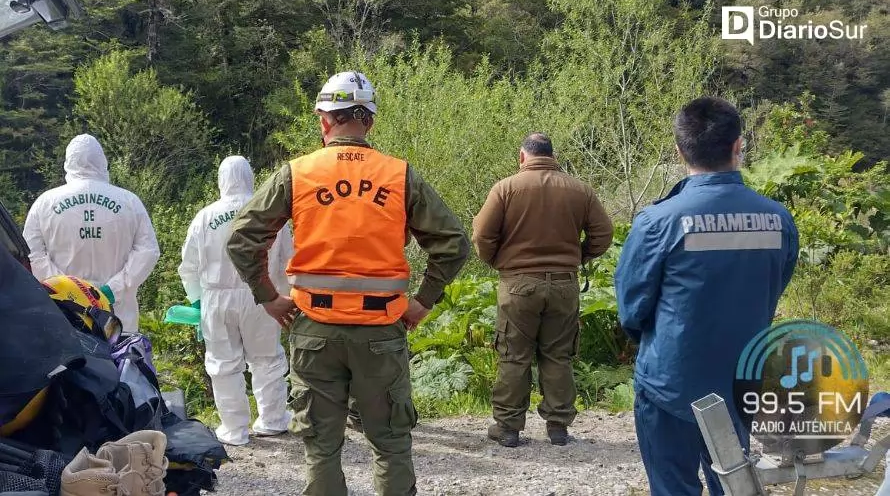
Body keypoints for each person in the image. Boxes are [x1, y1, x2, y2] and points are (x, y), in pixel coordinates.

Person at [227, 71, 469, 496]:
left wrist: (268, 297)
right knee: (391, 443)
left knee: (321, 447)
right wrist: (423, 302)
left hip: (313, 326)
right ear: (369, 122)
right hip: (381, 331)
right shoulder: (399, 175)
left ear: (324, 121)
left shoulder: (297, 173)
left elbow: (242, 239)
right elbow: (453, 245)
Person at [615, 97, 799, 496]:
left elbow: (632, 307)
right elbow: (775, 285)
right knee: (733, 480)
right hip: (740, 379)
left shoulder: (657, 221)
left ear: (680, 149)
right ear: (738, 146)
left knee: (672, 485)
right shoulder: (778, 219)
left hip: (670, 381)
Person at [472, 132, 614, 447]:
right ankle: (559, 427)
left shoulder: (506, 188)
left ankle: (508, 428)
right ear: (553, 156)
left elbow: (481, 234)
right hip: (565, 284)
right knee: (558, 355)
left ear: (523, 157)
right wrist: (580, 256)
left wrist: (497, 261)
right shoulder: (581, 190)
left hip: (518, 284)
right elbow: (604, 233)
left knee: (514, 356)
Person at [178, 155, 292, 446]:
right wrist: (282, 296)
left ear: (221, 179)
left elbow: (188, 265)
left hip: (216, 297)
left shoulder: (205, 217)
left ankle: (234, 429)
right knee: (266, 358)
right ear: (251, 178)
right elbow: (287, 261)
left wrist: (196, 301)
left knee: (222, 364)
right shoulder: (269, 213)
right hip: (262, 295)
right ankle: (272, 420)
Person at [23, 134, 160, 332]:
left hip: (65, 311)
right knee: (119, 359)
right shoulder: (129, 202)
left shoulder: (45, 203)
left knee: (73, 361)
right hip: (117, 313)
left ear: (68, 161)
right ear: (102, 161)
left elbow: (31, 254)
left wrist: (67, 289)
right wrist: (113, 289)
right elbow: (148, 251)